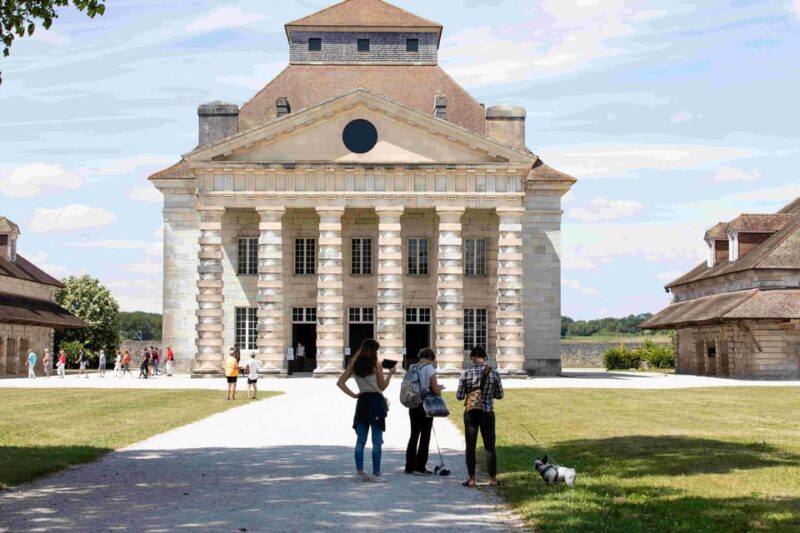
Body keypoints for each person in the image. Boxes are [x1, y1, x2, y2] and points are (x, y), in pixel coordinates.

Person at [336, 339, 395, 482]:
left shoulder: (354, 365)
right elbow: (382, 387)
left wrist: (354, 395)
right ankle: (376, 473)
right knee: (376, 440)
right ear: (373, 350)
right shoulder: (376, 365)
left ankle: (360, 472)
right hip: (375, 402)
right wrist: (390, 374)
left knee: (360, 440)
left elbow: (340, 382)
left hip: (362, 402)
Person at [456, 346, 504, 488]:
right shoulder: (493, 373)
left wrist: (471, 394)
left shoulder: (466, 373)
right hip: (487, 412)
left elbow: (459, 396)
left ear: (473, 357)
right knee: (489, 446)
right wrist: (488, 395)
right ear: (484, 357)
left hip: (471, 412)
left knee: (470, 447)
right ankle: (493, 478)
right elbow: (500, 395)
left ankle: (471, 479)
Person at [405, 348, 445, 475]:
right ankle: (420, 466)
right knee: (425, 435)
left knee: (414, 434)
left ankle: (409, 466)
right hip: (425, 404)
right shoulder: (429, 369)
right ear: (431, 359)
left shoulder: (411, 367)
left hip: (413, 403)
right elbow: (434, 389)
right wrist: (439, 389)